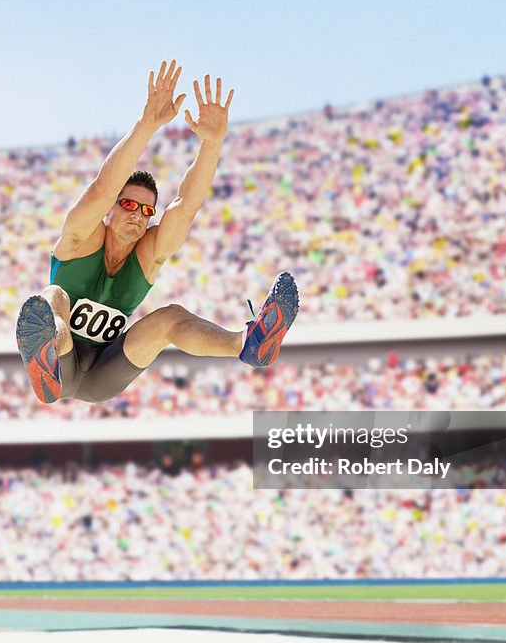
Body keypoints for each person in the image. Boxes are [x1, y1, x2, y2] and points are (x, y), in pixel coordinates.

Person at [15, 60, 299, 404]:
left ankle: (247, 343)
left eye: (147, 210)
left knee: (170, 317)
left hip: (106, 372)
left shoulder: (147, 255)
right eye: (129, 205)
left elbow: (184, 207)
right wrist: (147, 124)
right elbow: (103, 189)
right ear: (112, 209)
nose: (137, 214)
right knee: (54, 296)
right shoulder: (81, 238)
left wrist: (212, 143)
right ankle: (47, 357)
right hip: (65, 367)